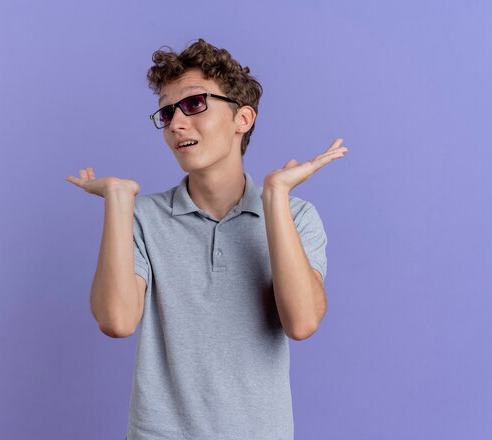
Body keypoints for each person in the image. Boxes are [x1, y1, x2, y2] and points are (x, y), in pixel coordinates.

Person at [67, 38, 348, 440]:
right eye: (167, 113)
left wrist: (274, 197)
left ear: (243, 118)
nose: (177, 123)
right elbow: (116, 321)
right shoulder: (143, 218)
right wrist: (118, 199)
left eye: (194, 104)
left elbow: (301, 322)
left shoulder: (297, 216)